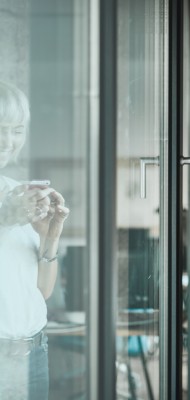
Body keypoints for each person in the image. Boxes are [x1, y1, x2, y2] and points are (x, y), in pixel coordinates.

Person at [0, 80, 70, 399]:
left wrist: (49, 238)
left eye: (17, 129)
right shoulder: (12, 205)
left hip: (33, 356)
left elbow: (41, 291)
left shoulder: (16, 191)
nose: (8, 141)